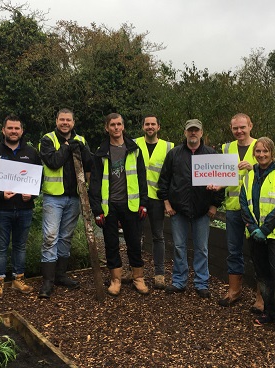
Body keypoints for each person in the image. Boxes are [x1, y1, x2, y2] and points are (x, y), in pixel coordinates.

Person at [157, 119, 224, 298]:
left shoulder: (211, 154)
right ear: (185, 132)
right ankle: (179, 281)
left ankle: (202, 283)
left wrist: (214, 205)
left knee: (201, 248)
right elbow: (164, 181)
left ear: (202, 133)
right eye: (190, 130)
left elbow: (220, 182)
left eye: (196, 130)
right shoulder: (174, 154)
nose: (193, 133)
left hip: (202, 209)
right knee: (179, 246)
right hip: (178, 210)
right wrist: (167, 203)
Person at [241, 137, 275, 339]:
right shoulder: (249, 176)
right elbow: (243, 203)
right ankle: (269, 312)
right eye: (258, 151)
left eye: (265, 151)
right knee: (262, 276)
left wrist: (265, 228)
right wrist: (253, 227)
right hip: (255, 235)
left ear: (272, 153)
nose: (262, 155)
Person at [0, 115, 42, 300]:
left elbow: (38, 180)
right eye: (10, 128)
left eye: (17, 128)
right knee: (0, 247)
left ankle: (19, 279)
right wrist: (0, 195)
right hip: (1, 209)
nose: (14, 131)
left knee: (20, 246)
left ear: (22, 131)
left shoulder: (31, 153)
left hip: (24, 208)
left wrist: (32, 194)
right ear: (3, 130)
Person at [89, 113, 149, 296]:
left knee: (134, 242)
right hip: (110, 206)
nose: (116, 128)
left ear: (123, 127)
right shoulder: (101, 152)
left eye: (119, 124)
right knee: (111, 243)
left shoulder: (134, 149)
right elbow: (95, 183)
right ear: (107, 128)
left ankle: (138, 277)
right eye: (112, 125)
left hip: (130, 203)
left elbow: (141, 178)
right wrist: (97, 209)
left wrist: (144, 203)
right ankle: (116, 279)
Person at [38, 108, 93, 298]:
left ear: (73, 122)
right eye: (62, 119)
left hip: (74, 196)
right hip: (54, 196)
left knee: (65, 237)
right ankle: (48, 281)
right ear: (56, 121)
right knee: (50, 237)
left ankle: (61, 275)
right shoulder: (47, 140)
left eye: (68, 120)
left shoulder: (82, 140)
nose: (65, 123)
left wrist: (81, 147)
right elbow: (53, 161)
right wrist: (68, 146)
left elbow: (90, 162)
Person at [218, 113, 262, 311]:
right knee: (234, 250)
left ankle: (261, 296)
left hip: (255, 210)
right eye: (235, 128)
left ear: (250, 126)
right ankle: (234, 291)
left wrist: (254, 167)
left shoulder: (260, 145)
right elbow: (222, 175)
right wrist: (216, 184)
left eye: (242, 127)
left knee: (258, 252)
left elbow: (273, 171)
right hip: (233, 207)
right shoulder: (226, 148)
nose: (239, 131)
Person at [134, 115, 173, 290]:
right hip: (137, 198)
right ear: (143, 127)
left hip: (158, 199)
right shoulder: (133, 144)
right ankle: (134, 270)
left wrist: (168, 201)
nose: (150, 127)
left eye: (153, 124)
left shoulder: (168, 147)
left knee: (158, 236)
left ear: (158, 126)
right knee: (135, 236)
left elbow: (171, 174)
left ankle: (159, 274)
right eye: (147, 124)